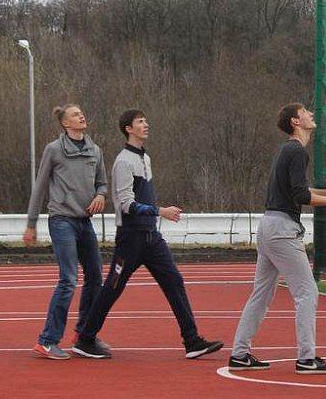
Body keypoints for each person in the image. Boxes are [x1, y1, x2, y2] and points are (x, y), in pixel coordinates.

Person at [72, 109, 222, 360]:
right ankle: (85, 338)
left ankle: (192, 340)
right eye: (141, 121)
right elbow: (126, 204)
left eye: (146, 120)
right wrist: (159, 210)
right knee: (113, 287)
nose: (146, 124)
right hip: (130, 239)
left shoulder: (145, 158)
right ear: (128, 129)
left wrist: (155, 215)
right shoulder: (123, 162)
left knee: (174, 281)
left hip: (152, 238)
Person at [228, 102, 326, 375]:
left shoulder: (289, 150)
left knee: (261, 294)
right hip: (282, 231)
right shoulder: (296, 151)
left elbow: (300, 188)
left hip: (269, 227)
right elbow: (301, 196)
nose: (310, 114)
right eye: (306, 111)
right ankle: (307, 359)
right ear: (296, 122)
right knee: (307, 292)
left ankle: (239, 353)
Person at [23, 104, 109, 360]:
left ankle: (84, 335)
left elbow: (102, 182)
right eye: (74, 114)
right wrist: (31, 223)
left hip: (85, 222)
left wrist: (101, 195)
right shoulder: (54, 150)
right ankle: (47, 341)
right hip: (62, 221)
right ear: (65, 123)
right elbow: (39, 187)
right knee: (68, 280)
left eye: (82, 112)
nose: (81, 115)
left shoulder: (95, 150)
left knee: (95, 277)